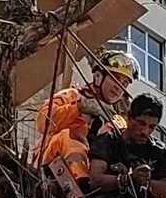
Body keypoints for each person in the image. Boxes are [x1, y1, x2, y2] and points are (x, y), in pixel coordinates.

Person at [34, 49, 135, 181]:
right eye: (115, 78)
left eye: (124, 83)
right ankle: (82, 184)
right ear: (98, 76)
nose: (119, 87)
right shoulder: (72, 96)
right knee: (71, 138)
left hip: (93, 172)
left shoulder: (118, 122)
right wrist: (79, 107)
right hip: (52, 161)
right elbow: (43, 122)